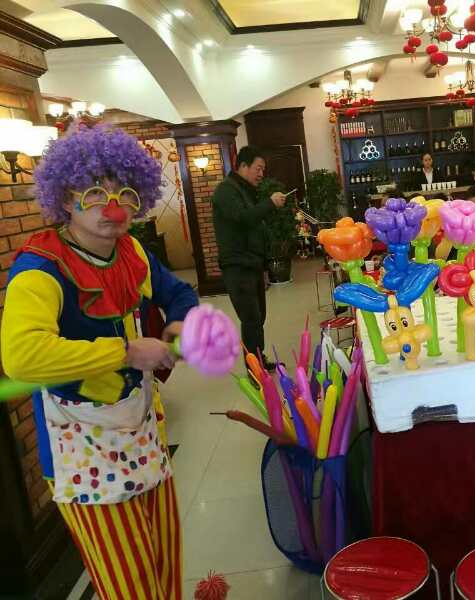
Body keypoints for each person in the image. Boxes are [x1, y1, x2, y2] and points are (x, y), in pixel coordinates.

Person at [1, 125, 199, 600]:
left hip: (141, 429)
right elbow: (22, 357)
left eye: (125, 194)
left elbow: (179, 293)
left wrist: (178, 328)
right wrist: (127, 351)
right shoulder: (40, 268)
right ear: (65, 199)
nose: (113, 208)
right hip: (82, 445)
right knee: (130, 586)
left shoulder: (131, 250)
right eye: (94, 193)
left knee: (165, 562)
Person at [212, 146, 286, 364]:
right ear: (243, 166)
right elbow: (244, 218)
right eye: (258, 168)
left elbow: (254, 225)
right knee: (251, 318)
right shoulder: (226, 191)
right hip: (237, 265)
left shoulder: (244, 190)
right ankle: (255, 368)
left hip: (252, 263)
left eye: (263, 169)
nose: (261, 174)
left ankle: (258, 359)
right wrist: (270, 203)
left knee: (258, 316)